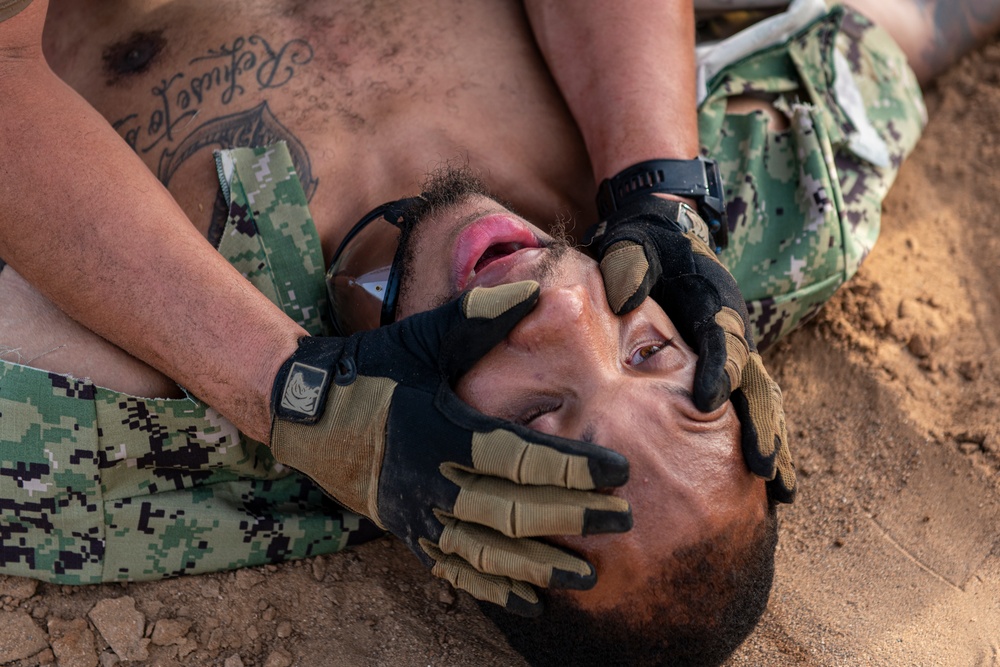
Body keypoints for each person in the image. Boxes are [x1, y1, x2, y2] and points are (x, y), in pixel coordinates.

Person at [1, 0, 997, 664]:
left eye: (542, 410)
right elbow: (919, 21)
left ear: (447, 492)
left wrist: (285, 394)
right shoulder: (760, 205)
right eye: (647, 351)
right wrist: (662, 187)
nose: (563, 306)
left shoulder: (142, 390)